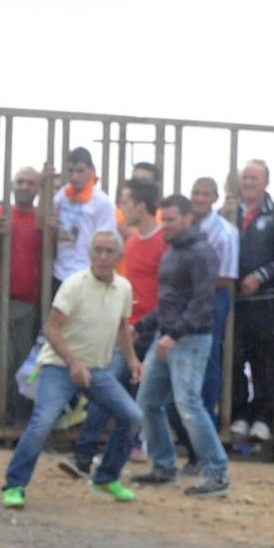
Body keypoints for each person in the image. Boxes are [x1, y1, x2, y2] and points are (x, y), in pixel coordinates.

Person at [2, 229, 142, 508]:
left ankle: (106, 476)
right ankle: (15, 484)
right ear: (89, 254)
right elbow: (51, 328)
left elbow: (121, 328)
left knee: (133, 416)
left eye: (109, 251)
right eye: (98, 250)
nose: (103, 257)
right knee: (43, 422)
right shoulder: (74, 284)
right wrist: (73, 363)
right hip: (59, 366)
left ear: (118, 256)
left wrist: (132, 359)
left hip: (97, 369)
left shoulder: (124, 288)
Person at [64, 179, 165, 475]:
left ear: (140, 206)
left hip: (152, 329)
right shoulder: (131, 244)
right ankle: (85, 457)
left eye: (126, 202)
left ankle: (103, 457)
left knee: (135, 397)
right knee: (108, 392)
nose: (121, 208)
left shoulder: (160, 244)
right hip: (130, 331)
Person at [131, 194, 227, 497]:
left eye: (171, 220)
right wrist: (144, 326)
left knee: (187, 404)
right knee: (148, 401)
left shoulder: (200, 252)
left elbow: (202, 304)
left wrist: (173, 334)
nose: (166, 226)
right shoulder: (175, 251)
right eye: (164, 220)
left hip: (188, 338)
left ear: (188, 218)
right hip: (170, 336)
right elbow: (171, 302)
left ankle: (217, 473)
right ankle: (164, 466)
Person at [230, 160, 274, 443]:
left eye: (254, 178)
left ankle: (265, 416)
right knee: (234, 356)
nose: (249, 183)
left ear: (266, 182)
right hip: (234, 303)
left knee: (264, 360)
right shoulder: (230, 213)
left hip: (265, 301)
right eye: (245, 177)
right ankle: (239, 413)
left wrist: (261, 275)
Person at [189, 176, 239, 429]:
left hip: (211, 298)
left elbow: (227, 277)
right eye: (195, 193)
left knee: (208, 358)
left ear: (215, 198)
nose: (199, 198)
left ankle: (207, 422)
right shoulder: (185, 225)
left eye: (204, 194)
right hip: (185, 298)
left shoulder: (225, 231)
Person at [3, 167, 44, 425]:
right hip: (0, 300)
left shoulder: (42, 220)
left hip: (30, 303)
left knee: (23, 366)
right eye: (21, 182)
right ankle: (0, 417)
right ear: (12, 185)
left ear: (39, 189)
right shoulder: (1, 215)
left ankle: (19, 421)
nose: (25, 187)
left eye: (31, 183)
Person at [51, 147, 117, 292]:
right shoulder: (63, 195)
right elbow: (48, 219)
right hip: (59, 273)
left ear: (91, 170)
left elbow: (109, 240)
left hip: (86, 275)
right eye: (71, 170)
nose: (74, 176)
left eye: (80, 171)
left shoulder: (102, 201)